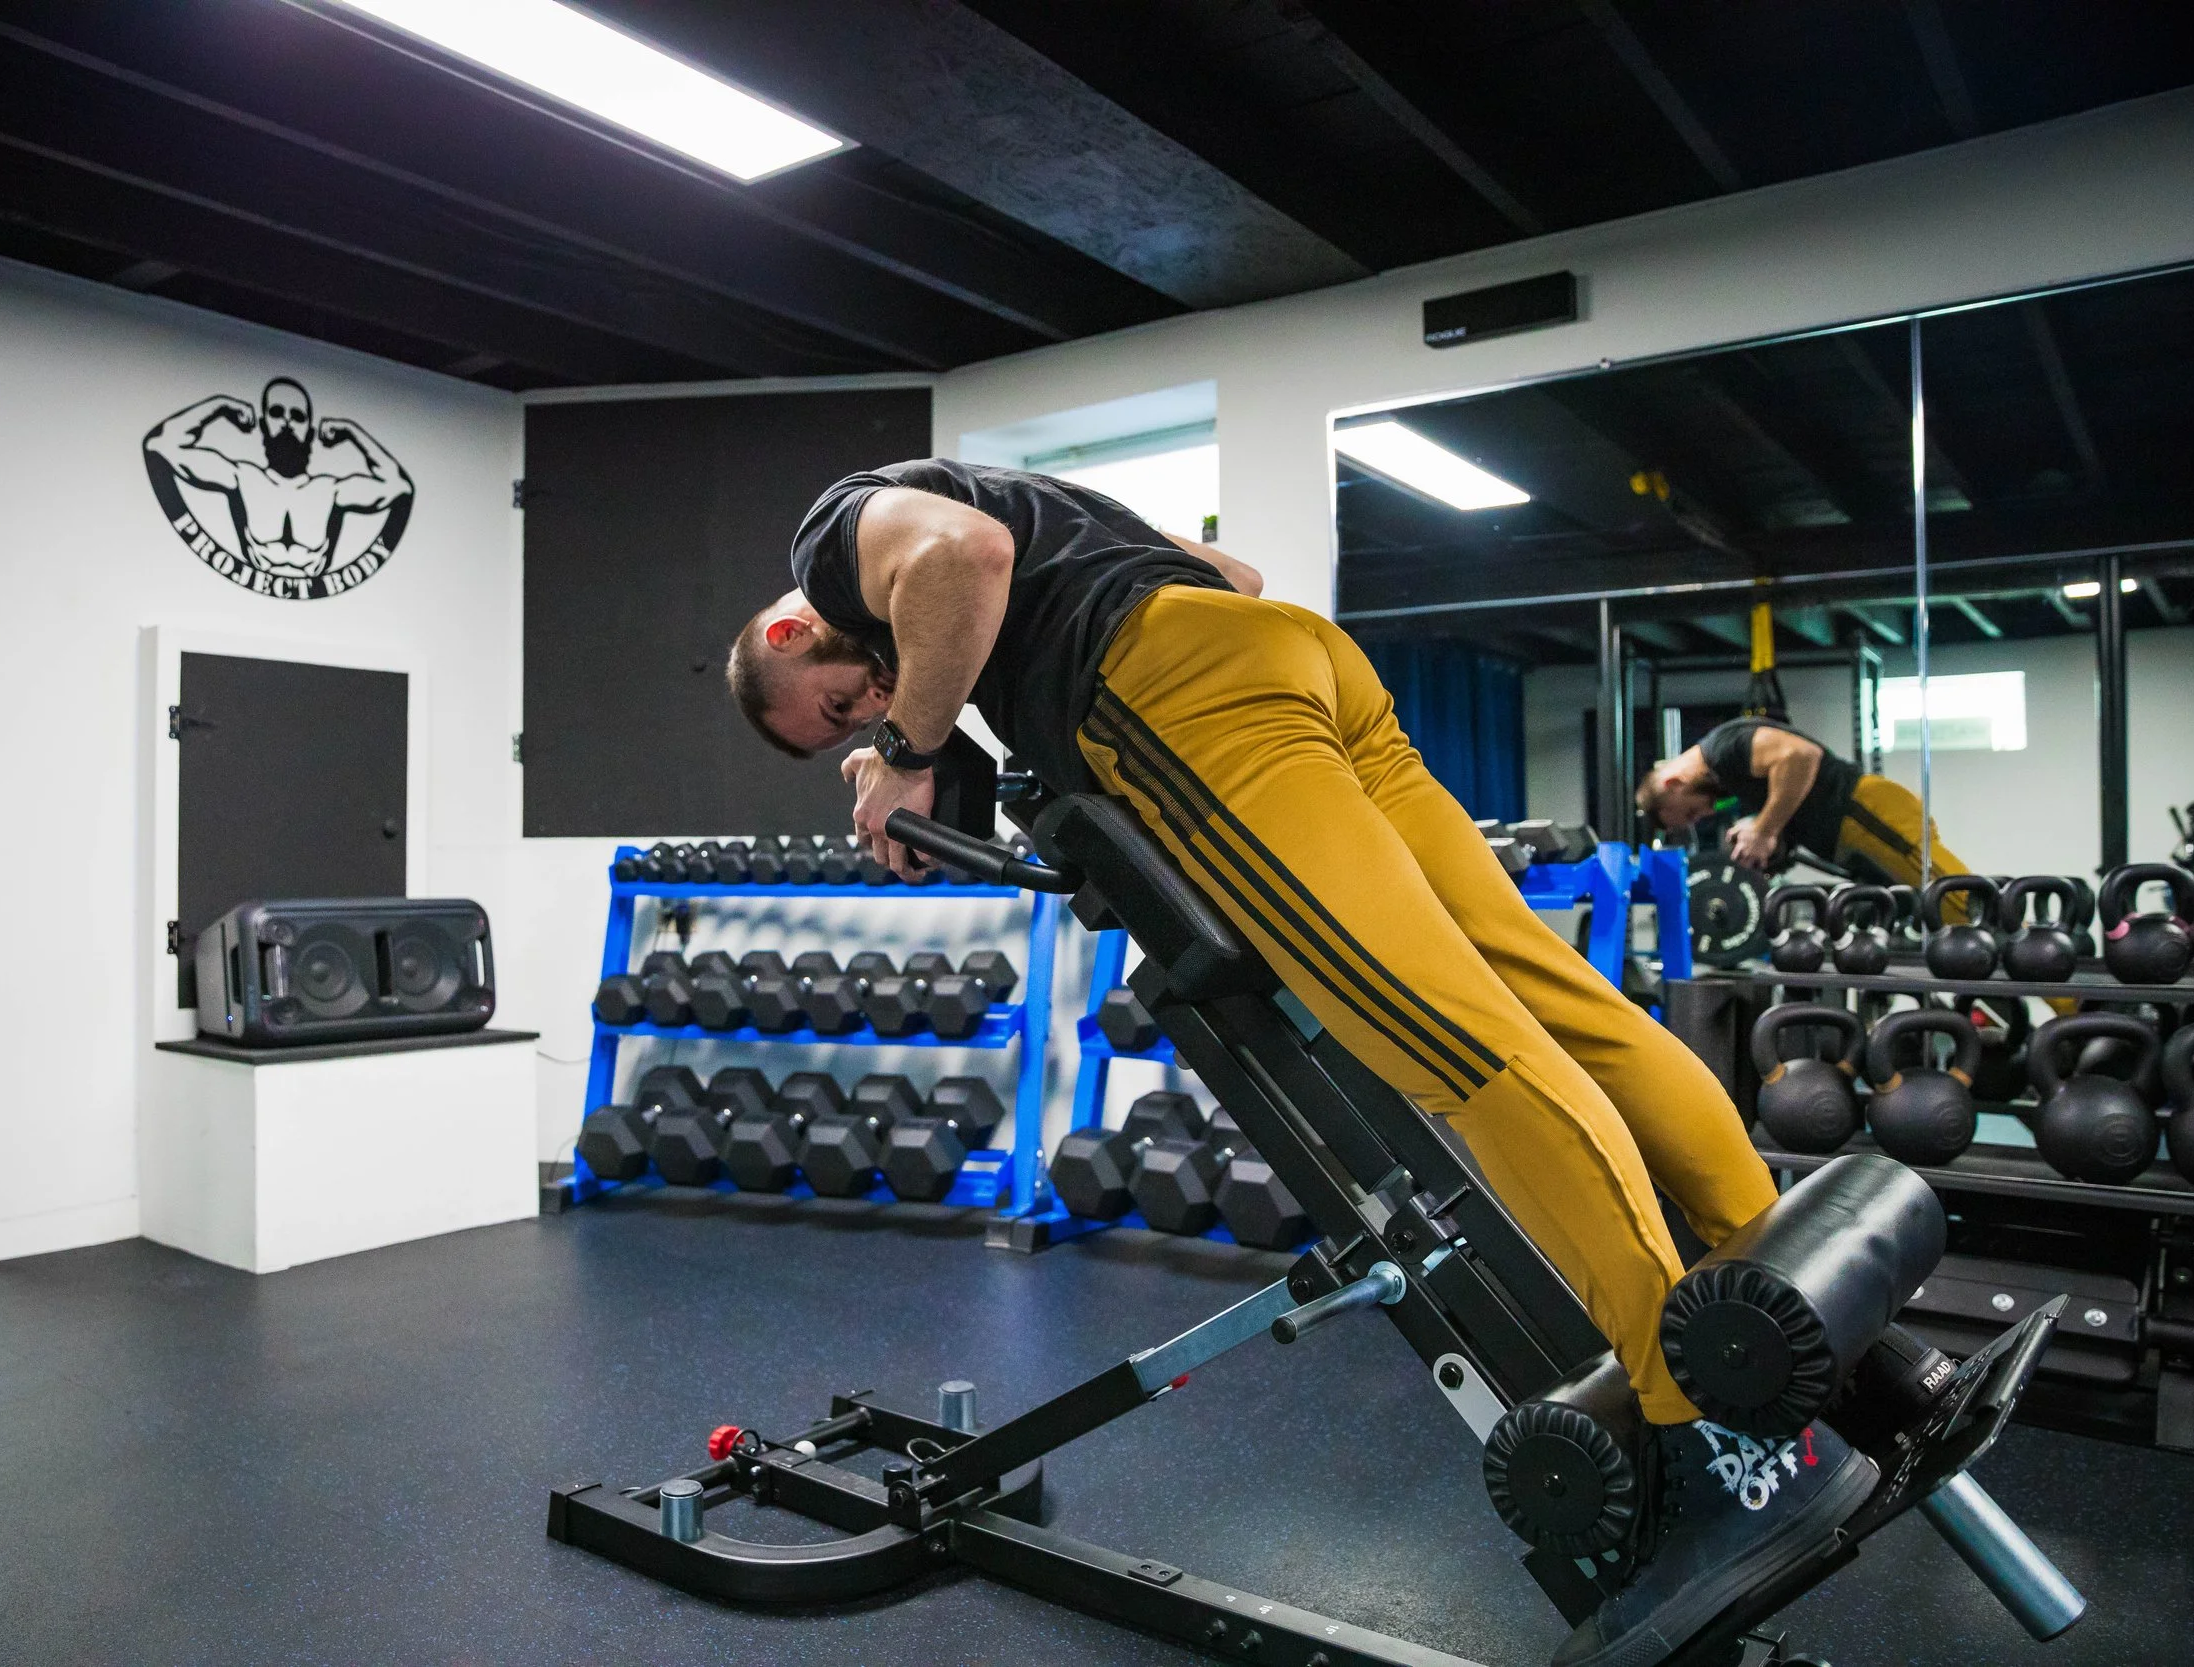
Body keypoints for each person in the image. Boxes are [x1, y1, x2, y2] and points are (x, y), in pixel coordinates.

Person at [724, 459, 1874, 1667]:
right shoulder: (1029, 502)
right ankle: (1795, 1321)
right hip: (1298, 662)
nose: (862, 717)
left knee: (1457, 1051)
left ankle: (1712, 1440)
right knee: (1564, 1004)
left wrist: (906, 748)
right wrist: (938, 728)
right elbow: (1232, 572)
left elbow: (962, 561)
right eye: (848, 726)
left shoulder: (830, 538)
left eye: (838, 705)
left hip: (1178, 697)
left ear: (794, 630)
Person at [1636, 716, 1971, 891]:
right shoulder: (1727, 774)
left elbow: (1800, 756)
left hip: (1865, 812)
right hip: (1854, 833)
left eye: (1692, 811)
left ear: (1673, 783)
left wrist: (1764, 830)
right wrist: (1762, 832)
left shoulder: (1724, 748)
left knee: (1958, 902)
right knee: (1935, 912)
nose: (1706, 813)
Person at [143, 378, 412, 578]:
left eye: (297, 417)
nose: (287, 423)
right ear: (263, 424)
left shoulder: (329, 490)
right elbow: (161, 446)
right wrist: (220, 406)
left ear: (309, 431)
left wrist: (351, 432)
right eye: (276, 413)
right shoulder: (243, 477)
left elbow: (398, 487)